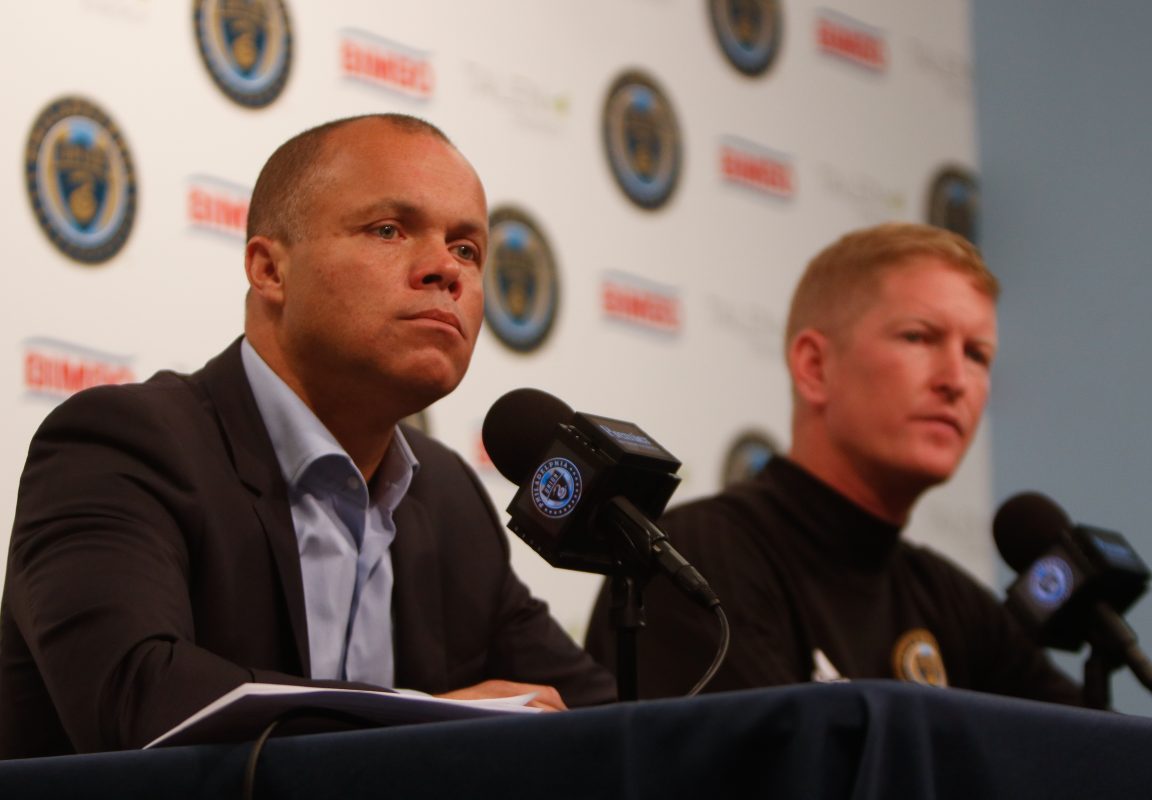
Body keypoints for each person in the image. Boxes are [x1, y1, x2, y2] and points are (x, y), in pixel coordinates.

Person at [0, 114, 614, 758]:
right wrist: (425, 721)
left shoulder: (450, 497)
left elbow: (600, 720)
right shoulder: (121, 444)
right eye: (389, 230)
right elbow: (137, 700)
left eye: (467, 249)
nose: (446, 270)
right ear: (269, 269)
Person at [586, 222, 1080, 704]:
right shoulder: (694, 564)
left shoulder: (954, 603)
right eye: (919, 337)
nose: (956, 380)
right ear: (814, 367)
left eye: (977, 354)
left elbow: (1104, 759)